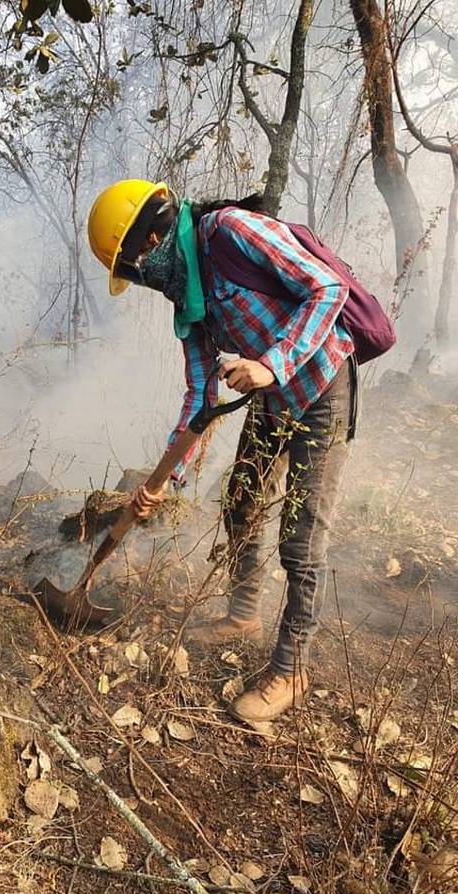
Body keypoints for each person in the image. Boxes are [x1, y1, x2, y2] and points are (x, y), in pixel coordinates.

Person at [87, 179, 357, 723]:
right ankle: (244, 614)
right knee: (241, 505)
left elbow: (328, 288)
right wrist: (160, 485)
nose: (141, 280)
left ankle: (291, 669)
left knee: (302, 539)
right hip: (273, 397)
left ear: (151, 238)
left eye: (134, 268)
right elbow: (198, 401)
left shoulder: (232, 232)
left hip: (323, 385)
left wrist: (271, 364)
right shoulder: (190, 304)